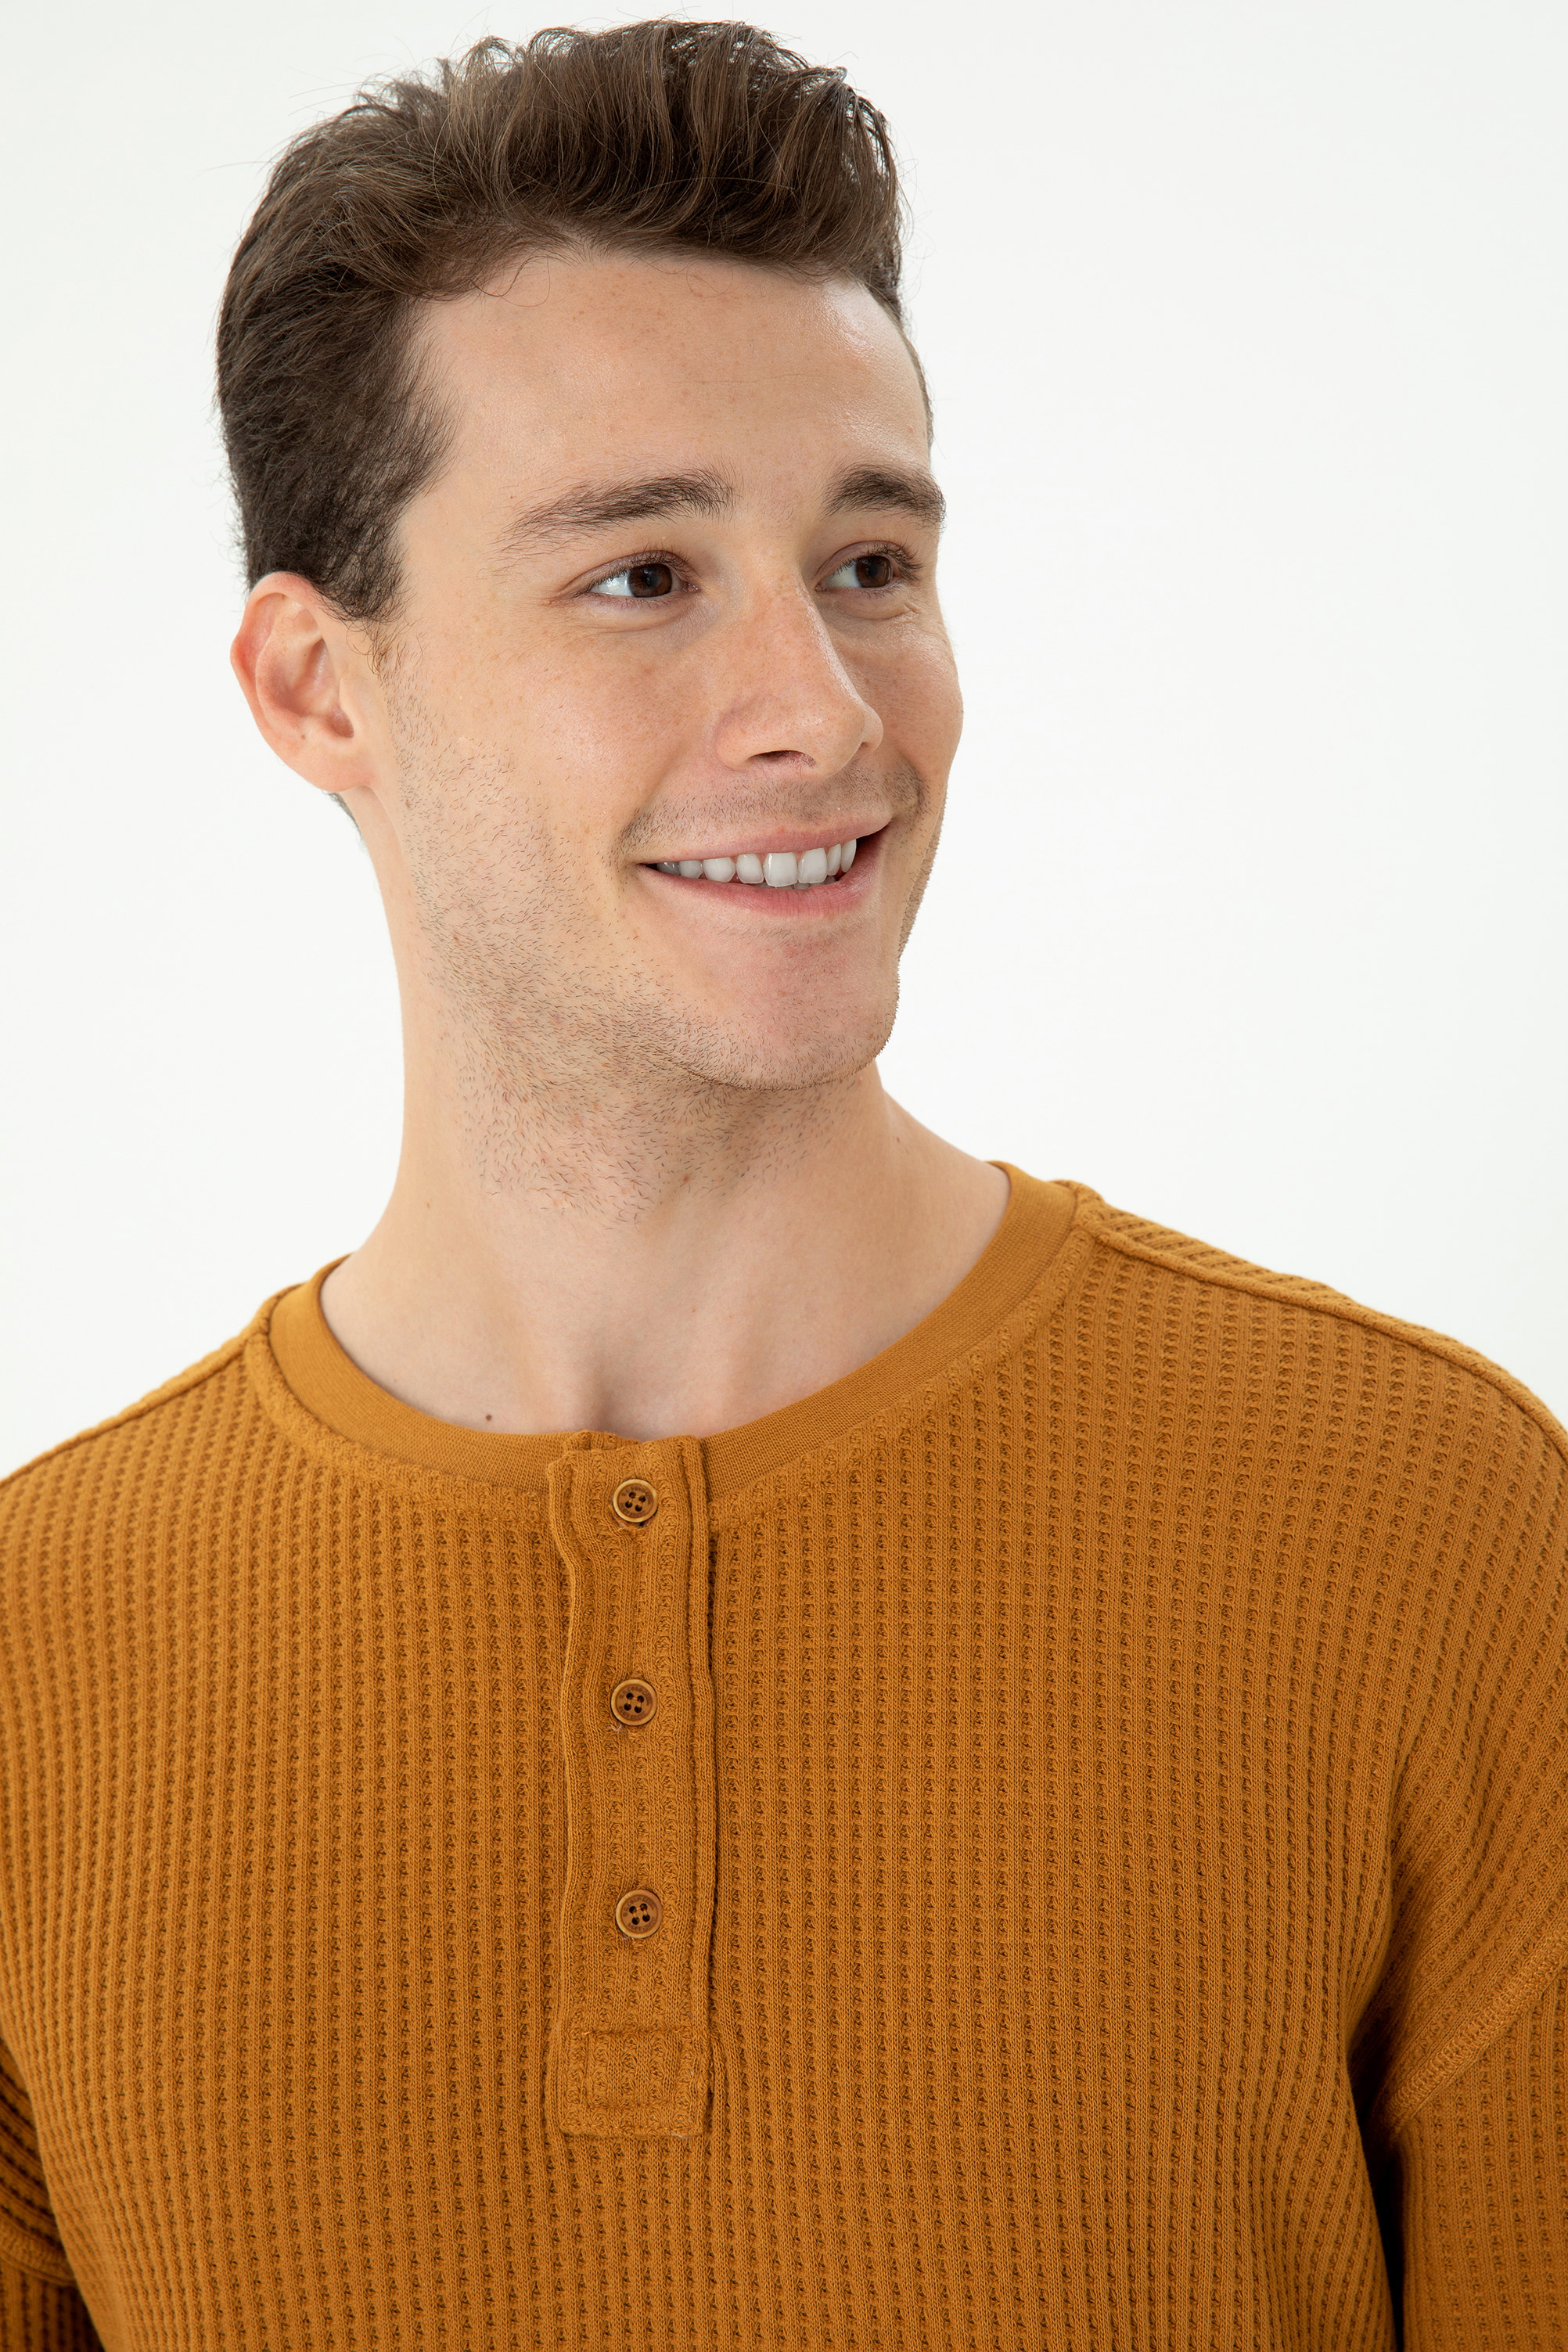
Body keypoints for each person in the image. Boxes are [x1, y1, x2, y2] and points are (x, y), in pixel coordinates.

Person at [1, 22, 1563, 2347]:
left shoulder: (1427, 1533)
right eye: (644, 574)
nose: (826, 710)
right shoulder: (38, 1667)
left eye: (868, 562)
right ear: (319, 687)